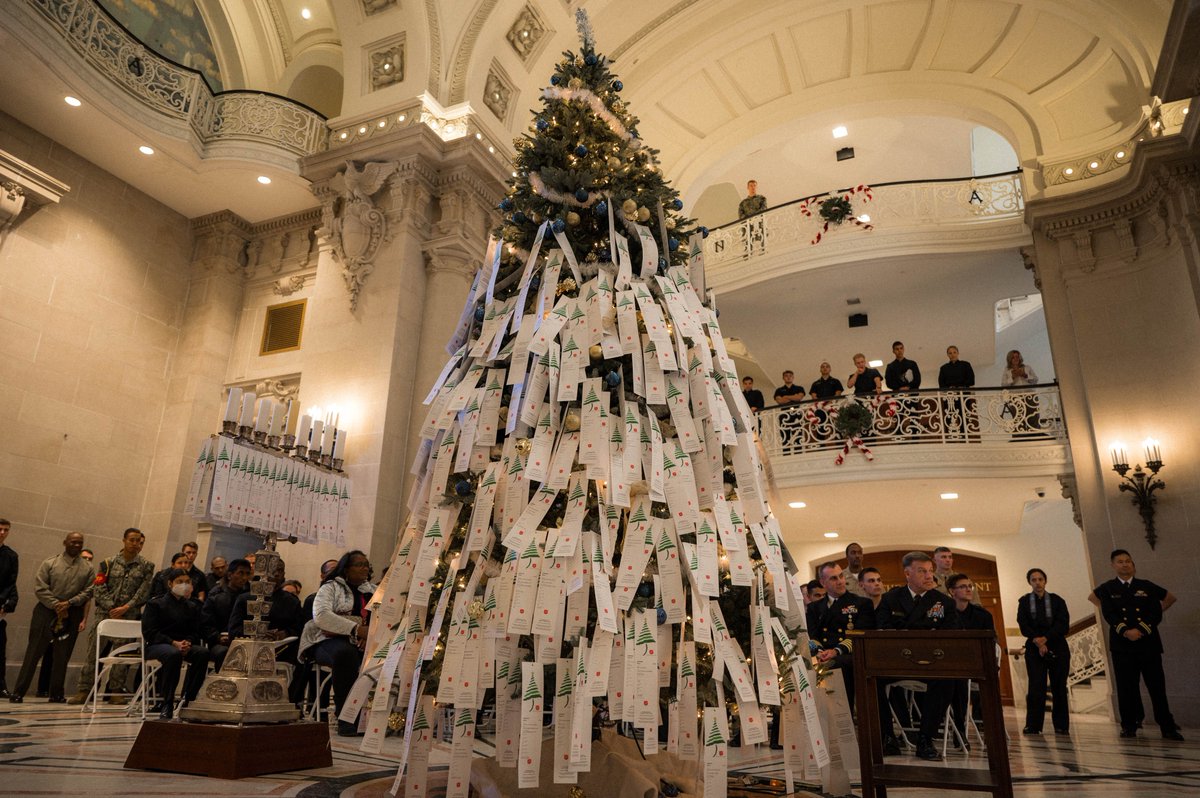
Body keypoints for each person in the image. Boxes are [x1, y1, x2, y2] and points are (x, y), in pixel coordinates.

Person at [1089, 549, 1183, 740]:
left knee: (1157, 687)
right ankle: (1129, 726)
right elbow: (1107, 612)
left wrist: (1141, 629)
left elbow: (1162, 606)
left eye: (1128, 561)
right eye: (1121, 561)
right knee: (1126, 688)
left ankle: (1167, 726)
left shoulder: (1145, 586)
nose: (1125, 564)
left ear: (1133, 565)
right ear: (1113, 565)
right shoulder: (1108, 588)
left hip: (1148, 644)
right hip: (1122, 647)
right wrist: (1125, 630)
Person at [876, 551, 960, 760]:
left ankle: (925, 739)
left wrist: (907, 628)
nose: (928, 576)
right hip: (898, 662)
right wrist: (922, 629)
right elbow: (884, 630)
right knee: (870, 680)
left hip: (931, 663)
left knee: (946, 681)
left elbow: (949, 635)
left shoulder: (944, 603)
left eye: (930, 571)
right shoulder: (891, 598)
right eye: (922, 571)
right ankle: (887, 736)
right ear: (907, 573)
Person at [68, 528, 154, 705]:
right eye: (132, 540)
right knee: (93, 653)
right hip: (105, 616)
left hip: (128, 616)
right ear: (124, 540)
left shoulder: (146, 566)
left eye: (138, 541)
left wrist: (126, 607)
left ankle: (115, 691)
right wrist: (112, 608)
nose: (135, 544)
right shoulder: (108, 563)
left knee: (122, 655)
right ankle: (84, 690)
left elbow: (144, 591)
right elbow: (98, 588)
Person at [9, 532, 94, 703]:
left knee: (62, 656)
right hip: (46, 611)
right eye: (73, 542)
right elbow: (40, 587)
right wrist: (56, 604)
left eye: (80, 543)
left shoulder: (88, 568)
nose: (77, 545)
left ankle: (56, 693)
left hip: (72, 612)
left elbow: (89, 590)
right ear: (65, 543)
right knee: (34, 652)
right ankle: (19, 692)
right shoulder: (50, 563)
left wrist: (69, 603)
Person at [299, 550, 375, 736]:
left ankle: (376, 720)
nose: (364, 567)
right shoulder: (330, 587)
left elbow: (379, 617)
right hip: (326, 639)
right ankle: (347, 719)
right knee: (346, 655)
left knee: (380, 657)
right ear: (346, 569)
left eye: (366, 564)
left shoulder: (373, 591)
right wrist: (357, 629)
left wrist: (368, 635)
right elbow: (322, 616)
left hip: (363, 640)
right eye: (359, 564)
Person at [229, 558, 306, 701]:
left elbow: (299, 629)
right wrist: (258, 632)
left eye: (280, 570)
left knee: (303, 659)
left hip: (281, 649)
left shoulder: (292, 601)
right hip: (250, 648)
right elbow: (234, 630)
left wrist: (285, 633)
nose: (276, 574)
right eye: (273, 569)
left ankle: (291, 702)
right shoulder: (245, 598)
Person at [141, 567, 210, 719]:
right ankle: (167, 702)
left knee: (202, 653)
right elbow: (149, 632)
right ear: (170, 583)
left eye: (187, 582)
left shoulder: (192, 606)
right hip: (157, 645)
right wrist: (173, 643)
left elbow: (195, 630)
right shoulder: (156, 604)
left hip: (183, 645)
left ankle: (189, 699)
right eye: (180, 582)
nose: (184, 585)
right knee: (173, 654)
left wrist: (187, 642)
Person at [806, 562, 875, 712]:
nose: (840, 581)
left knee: (837, 664)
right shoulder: (814, 607)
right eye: (833, 578)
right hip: (822, 654)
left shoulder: (861, 604)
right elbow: (811, 635)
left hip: (850, 655)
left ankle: (843, 718)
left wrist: (836, 651)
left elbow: (860, 635)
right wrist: (819, 651)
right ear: (823, 583)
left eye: (841, 576)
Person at [1017, 568, 1070, 735]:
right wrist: (1038, 641)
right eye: (1034, 580)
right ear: (1029, 582)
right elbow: (1023, 624)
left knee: (1059, 686)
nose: (1038, 582)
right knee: (1036, 687)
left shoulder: (1057, 601)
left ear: (1045, 581)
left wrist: (1046, 639)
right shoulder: (1024, 602)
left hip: (1057, 646)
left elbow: (1063, 624)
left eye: (1040, 579)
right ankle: (1033, 725)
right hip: (1034, 647)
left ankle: (1061, 725)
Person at [947, 573, 996, 744]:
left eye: (970, 586)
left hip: (976, 664)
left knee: (959, 680)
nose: (968, 589)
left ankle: (960, 729)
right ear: (952, 591)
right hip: (949, 664)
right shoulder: (943, 611)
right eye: (963, 586)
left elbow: (991, 642)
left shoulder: (982, 615)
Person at [200, 558, 252, 670]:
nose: (244, 578)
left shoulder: (251, 596)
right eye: (240, 573)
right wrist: (218, 637)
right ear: (230, 575)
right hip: (219, 643)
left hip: (244, 640)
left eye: (247, 574)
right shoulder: (216, 595)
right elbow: (206, 624)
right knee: (225, 653)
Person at [0, 518, 17, 699]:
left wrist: (5, 604)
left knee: (0, 651)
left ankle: (0, 685)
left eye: (6, 530)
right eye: (0, 529)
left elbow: (11, 583)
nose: (2, 532)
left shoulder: (11, 556)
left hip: (0, 607)